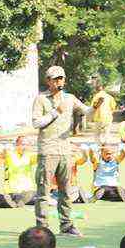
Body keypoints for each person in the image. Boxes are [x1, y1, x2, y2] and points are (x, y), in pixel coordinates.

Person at [33, 65, 90, 237]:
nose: (59, 82)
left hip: (65, 150)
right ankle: (42, 227)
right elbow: (36, 123)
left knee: (66, 191)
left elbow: (87, 111)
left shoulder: (70, 98)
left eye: (61, 78)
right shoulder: (41, 99)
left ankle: (66, 226)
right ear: (48, 81)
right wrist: (55, 112)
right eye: (55, 79)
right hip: (48, 150)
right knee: (44, 192)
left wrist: (96, 106)